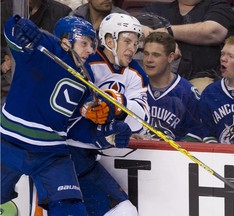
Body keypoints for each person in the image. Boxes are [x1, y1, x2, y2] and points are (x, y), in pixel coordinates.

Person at [1, 15, 131, 215]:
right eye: (85, 43)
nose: (91, 50)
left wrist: (106, 134)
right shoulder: (42, 49)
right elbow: (12, 33)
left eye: (93, 44)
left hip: (50, 152)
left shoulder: (85, 76)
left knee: (71, 209)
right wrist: (17, 26)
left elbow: (74, 125)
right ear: (64, 40)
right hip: (8, 142)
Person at [67, 13, 149, 215]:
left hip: (88, 157)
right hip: (63, 153)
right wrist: (87, 109)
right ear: (109, 40)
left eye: (136, 42)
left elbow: (142, 120)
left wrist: (119, 105)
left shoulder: (136, 72)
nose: (132, 48)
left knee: (124, 211)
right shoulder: (86, 61)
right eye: (127, 41)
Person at [141, 0, 234, 93]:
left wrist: (169, 32)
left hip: (201, 78)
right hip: (159, 78)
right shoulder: (156, 8)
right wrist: (165, 41)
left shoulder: (219, 7)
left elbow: (213, 32)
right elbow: (138, 28)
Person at [140, 31, 202, 142]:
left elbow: (195, 134)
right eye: (146, 53)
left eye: (156, 55)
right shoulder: (135, 85)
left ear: (170, 57)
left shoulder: (187, 93)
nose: (149, 60)